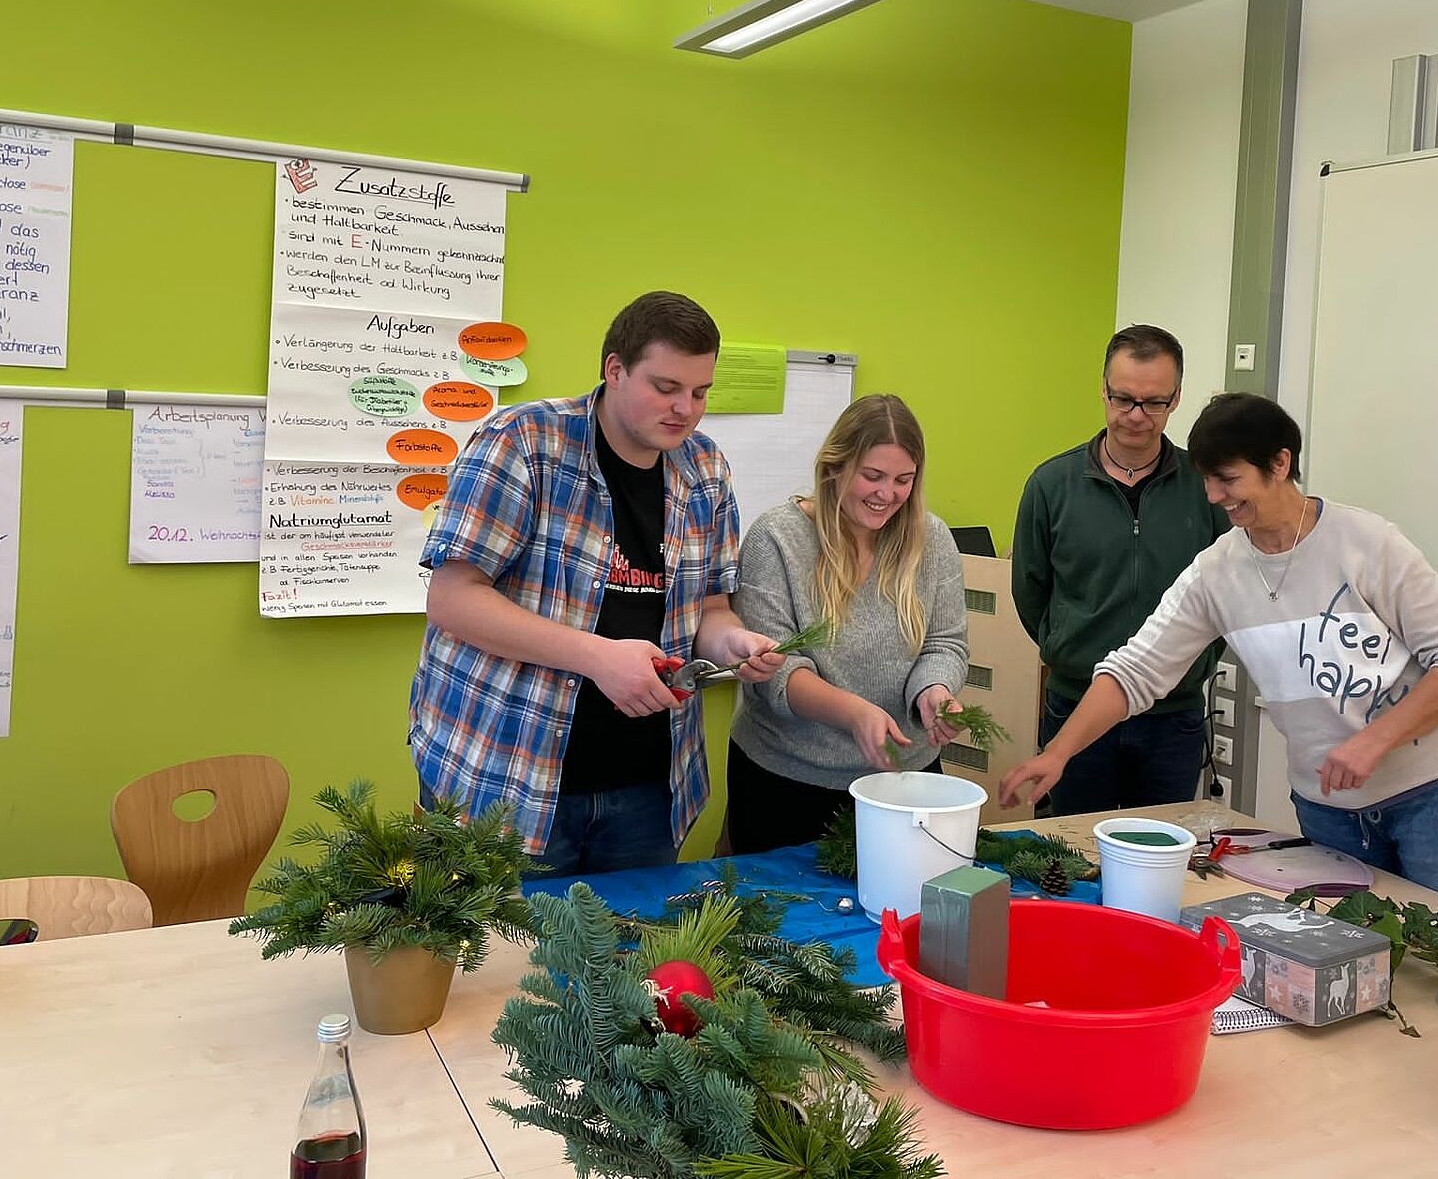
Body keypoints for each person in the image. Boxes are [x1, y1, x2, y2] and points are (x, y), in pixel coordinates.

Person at [1002, 392, 1438, 893]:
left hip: (1436, 796)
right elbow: (1135, 670)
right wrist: (1058, 753)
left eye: (1229, 479)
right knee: (1359, 955)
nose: (1214, 496)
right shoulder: (1217, 571)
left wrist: (1373, 741)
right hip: (1327, 809)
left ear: (1280, 462)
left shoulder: (1367, 543)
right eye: (1207, 480)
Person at [409, 291, 784, 879]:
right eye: (666, 387)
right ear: (614, 368)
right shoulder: (524, 440)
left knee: (627, 961)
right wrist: (597, 658)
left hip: (648, 787)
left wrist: (731, 642)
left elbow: (709, 607)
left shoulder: (706, 468)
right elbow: (453, 598)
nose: (685, 408)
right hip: (509, 775)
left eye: (700, 392)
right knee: (498, 966)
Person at [725, 394, 970, 854]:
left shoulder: (931, 538)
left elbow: (944, 643)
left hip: (905, 780)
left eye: (903, 480)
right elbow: (776, 671)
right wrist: (855, 714)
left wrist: (934, 692)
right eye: (872, 476)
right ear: (835, 466)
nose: (887, 494)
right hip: (788, 783)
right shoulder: (776, 539)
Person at [1011, 324, 1232, 814]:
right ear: (1103, 390)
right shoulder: (1052, 485)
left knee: (1158, 862)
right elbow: (1031, 592)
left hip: (1172, 718)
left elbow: (1226, 592)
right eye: (1123, 399)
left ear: (1176, 399)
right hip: (1075, 706)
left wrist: (1192, 660)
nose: (1135, 415)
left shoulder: (1206, 487)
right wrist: (1065, 647)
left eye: (1153, 402)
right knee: (1070, 857)